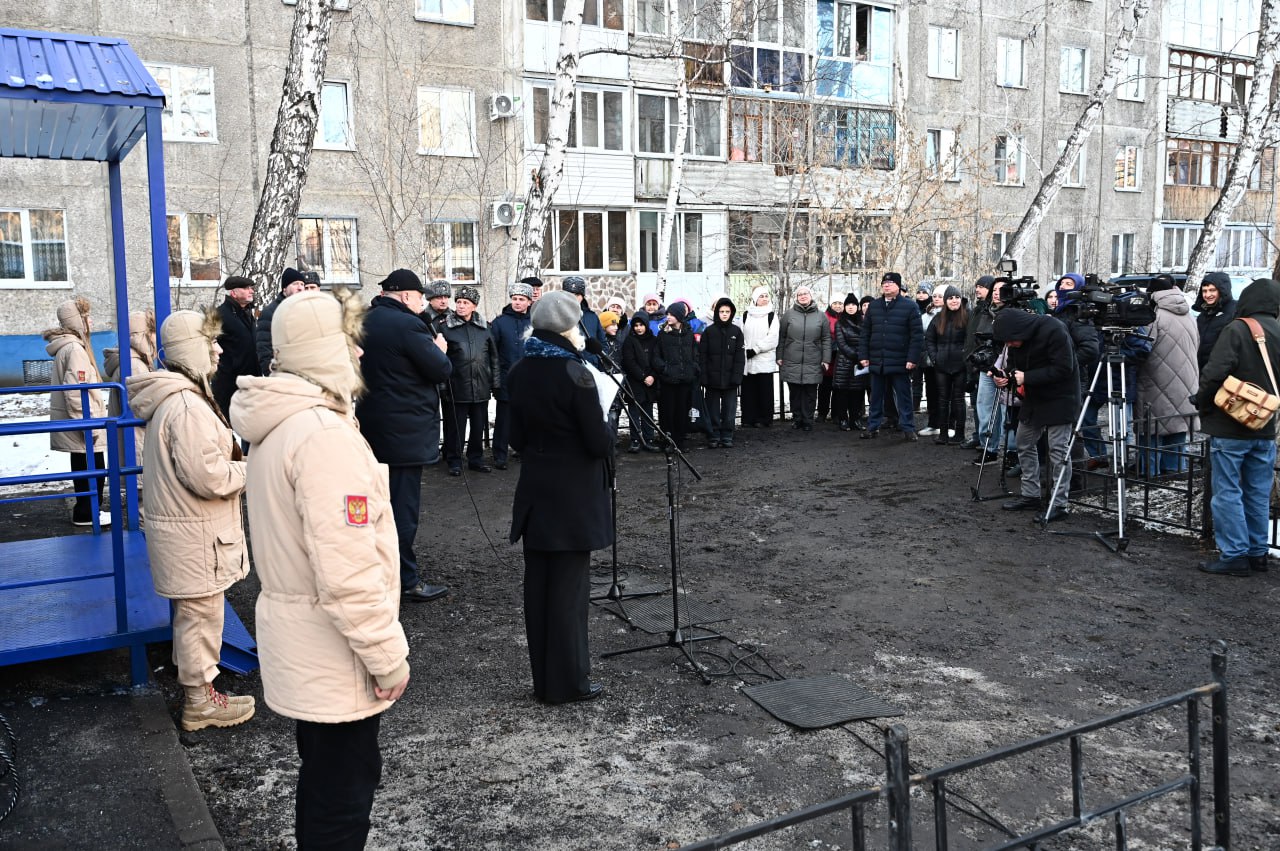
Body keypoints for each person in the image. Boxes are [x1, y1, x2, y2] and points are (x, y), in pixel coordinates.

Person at [231, 289, 410, 848]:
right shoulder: (322, 437)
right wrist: (387, 658)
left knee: (326, 780)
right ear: (323, 350)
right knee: (343, 793)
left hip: (304, 637)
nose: (359, 355)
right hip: (334, 649)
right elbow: (347, 569)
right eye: (349, 342)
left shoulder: (285, 425)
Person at [127, 309, 254, 731]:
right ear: (191, 350)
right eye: (211, 343)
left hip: (190, 533)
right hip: (196, 537)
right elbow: (208, 477)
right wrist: (252, 470)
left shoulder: (181, 397)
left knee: (196, 616)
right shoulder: (186, 405)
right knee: (200, 619)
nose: (219, 350)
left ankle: (203, 693)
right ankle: (200, 703)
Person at [506, 290, 613, 703]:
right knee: (569, 596)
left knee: (540, 593)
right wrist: (604, 420)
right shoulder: (576, 373)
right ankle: (569, 683)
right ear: (570, 327)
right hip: (573, 500)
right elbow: (597, 442)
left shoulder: (519, 370)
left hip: (536, 495)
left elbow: (515, 436)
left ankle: (545, 682)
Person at [356, 269, 453, 602]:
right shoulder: (409, 325)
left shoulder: (364, 320)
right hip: (405, 432)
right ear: (408, 296)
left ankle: (377, 573)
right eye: (421, 297)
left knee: (374, 506)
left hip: (371, 428)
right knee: (402, 510)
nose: (424, 303)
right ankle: (404, 580)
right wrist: (439, 347)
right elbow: (440, 370)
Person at [1195, 278, 1280, 575]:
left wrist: (1201, 402)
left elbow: (1214, 373)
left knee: (1227, 491)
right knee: (1257, 492)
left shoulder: (1238, 328)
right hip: (1265, 426)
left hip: (1230, 426)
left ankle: (1234, 555)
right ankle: (1258, 553)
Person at [991, 309, 1080, 521]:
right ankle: (1030, 494)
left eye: (1011, 340)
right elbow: (1014, 364)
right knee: (1023, 442)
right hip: (1034, 397)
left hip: (1061, 397)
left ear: (1020, 331)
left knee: (1058, 450)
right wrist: (1007, 377)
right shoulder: (1017, 339)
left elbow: (1064, 368)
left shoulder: (1054, 329)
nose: (1010, 345)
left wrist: (1026, 377)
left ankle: (1059, 504)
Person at [44, 297, 111, 527]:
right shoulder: (75, 349)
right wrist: (89, 425)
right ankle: (87, 513)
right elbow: (77, 392)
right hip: (85, 424)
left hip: (82, 423)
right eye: (86, 317)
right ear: (77, 321)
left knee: (85, 466)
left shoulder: (71, 346)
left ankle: (86, 510)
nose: (91, 320)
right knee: (93, 468)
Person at [1136, 276, 1200, 475]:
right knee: (1178, 425)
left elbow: (1141, 348)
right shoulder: (1188, 315)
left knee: (1152, 428)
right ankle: (1175, 471)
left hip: (1155, 380)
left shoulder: (1153, 316)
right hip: (1187, 382)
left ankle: (1149, 473)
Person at [441, 285, 499, 476]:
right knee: (456, 428)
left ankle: (476, 459)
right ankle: (454, 460)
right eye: (458, 302)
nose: (461, 306)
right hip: (457, 386)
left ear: (474, 306)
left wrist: (495, 383)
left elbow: (494, 358)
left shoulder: (485, 328)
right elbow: (440, 360)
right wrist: (443, 385)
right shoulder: (446, 328)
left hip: (481, 385)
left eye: (466, 303)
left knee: (478, 426)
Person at [859, 272, 923, 441]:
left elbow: (916, 336)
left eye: (890, 283)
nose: (886, 285)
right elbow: (865, 333)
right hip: (878, 360)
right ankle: (873, 427)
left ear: (898, 286)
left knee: (904, 397)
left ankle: (908, 428)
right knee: (876, 397)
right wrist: (864, 355)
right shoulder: (874, 306)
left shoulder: (910, 306)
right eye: (884, 283)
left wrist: (912, 359)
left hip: (900, 361)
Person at [490, 280, 534, 470]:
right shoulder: (500, 323)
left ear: (529, 302)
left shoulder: (535, 322)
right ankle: (500, 455)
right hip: (506, 377)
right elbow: (493, 352)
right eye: (514, 299)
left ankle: (525, 451)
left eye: (521, 299)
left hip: (529, 380)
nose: (517, 302)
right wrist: (496, 379)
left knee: (527, 419)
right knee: (503, 420)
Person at [104, 308, 157, 464]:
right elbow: (142, 410)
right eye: (153, 331)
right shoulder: (134, 366)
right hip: (138, 446)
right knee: (140, 487)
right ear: (142, 336)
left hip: (136, 442)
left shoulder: (133, 362)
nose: (156, 338)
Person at [778, 285, 831, 431]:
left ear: (810, 296)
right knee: (795, 392)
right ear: (796, 297)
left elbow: (826, 339)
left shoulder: (821, 316)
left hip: (813, 359)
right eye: (800, 294)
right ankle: (797, 419)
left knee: (810, 393)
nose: (803, 296)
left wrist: (826, 359)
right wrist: (779, 356)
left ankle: (808, 420)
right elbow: (782, 337)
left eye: (805, 293)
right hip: (791, 359)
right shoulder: (789, 315)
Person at [211, 275, 260, 421]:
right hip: (228, 384)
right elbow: (208, 344)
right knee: (227, 428)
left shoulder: (248, 313)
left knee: (252, 427)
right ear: (234, 293)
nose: (251, 291)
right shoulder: (218, 315)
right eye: (246, 288)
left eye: (252, 288)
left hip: (251, 382)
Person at [699, 297, 746, 448]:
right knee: (712, 409)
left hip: (731, 379)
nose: (724, 314)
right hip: (712, 379)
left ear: (732, 313)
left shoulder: (736, 332)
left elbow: (740, 358)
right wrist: (704, 376)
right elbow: (703, 356)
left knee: (729, 409)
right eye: (721, 311)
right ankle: (713, 435)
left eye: (727, 311)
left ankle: (727, 435)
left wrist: (737, 377)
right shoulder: (709, 331)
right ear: (716, 312)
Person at [653, 301, 700, 450]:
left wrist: (693, 369)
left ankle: (680, 441)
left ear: (679, 316)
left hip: (685, 380)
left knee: (682, 411)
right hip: (668, 380)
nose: (668, 317)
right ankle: (668, 441)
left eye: (672, 314)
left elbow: (695, 355)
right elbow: (656, 356)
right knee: (668, 412)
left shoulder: (688, 334)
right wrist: (665, 369)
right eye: (668, 314)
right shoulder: (663, 334)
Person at [925, 287, 969, 444]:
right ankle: (943, 433)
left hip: (960, 366)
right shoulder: (938, 318)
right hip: (942, 365)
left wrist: (966, 358)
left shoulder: (967, 317)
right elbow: (929, 339)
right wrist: (935, 357)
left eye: (957, 297)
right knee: (942, 400)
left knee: (958, 400)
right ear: (946, 301)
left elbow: (971, 340)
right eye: (951, 298)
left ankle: (959, 434)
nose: (954, 300)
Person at [963, 275, 999, 453]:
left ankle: (991, 444)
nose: (978, 289)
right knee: (978, 403)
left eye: (983, 287)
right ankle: (979, 436)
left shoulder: (991, 311)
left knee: (988, 406)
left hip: (987, 364)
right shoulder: (977, 310)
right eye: (977, 286)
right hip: (974, 361)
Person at [740, 286, 780, 428]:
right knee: (748, 391)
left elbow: (773, 338)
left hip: (764, 359)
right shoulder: (746, 315)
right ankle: (748, 418)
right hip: (748, 359)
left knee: (764, 391)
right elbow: (741, 334)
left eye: (766, 296)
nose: (764, 299)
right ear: (755, 299)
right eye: (761, 296)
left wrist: (756, 349)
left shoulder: (771, 316)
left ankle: (764, 418)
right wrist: (746, 350)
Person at [255, 268, 308, 375]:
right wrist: (271, 373)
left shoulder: (305, 310)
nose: (300, 288)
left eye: (302, 284)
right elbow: (264, 346)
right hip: (282, 373)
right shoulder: (271, 312)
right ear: (284, 289)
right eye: (295, 284)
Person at [620, 312, 659, 452]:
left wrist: (652, 376)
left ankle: (649, 439)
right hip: (635, 382)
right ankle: (635, 440)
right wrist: (643, 376)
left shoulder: (654, 340)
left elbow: (657, 359)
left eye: (641, 325)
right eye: (636, 325)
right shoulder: (629, 341)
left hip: (650, 381)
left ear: (646, 325)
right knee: (634, 412)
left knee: (648, 413)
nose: (638, 328)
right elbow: (629, 362)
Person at [831, 293, 866, 431]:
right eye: (848, 305)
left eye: (853, 305)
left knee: (857, 393)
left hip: (860, 362)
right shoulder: (840, 323)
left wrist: (862, 356)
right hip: (844, 363)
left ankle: (855, 419)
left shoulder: (863, 322)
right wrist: (857, 355)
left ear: (857, 307)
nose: (850, 307)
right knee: (842, 392)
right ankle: (843, 420)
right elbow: (841, 343)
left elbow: (866, 340)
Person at [562, 275, 607, 368]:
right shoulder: (557, 315)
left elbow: (602, 343)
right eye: (570, 294)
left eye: (577, 295)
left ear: (582, 296)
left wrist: (597, 360)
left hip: (591, 367)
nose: (573, 298)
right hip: (566, 367)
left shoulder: (592, 316)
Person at [1194, 271, 1236, 369]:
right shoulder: (1203, 315)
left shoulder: (1234, 312)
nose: (1208, 295)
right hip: (1203, 371)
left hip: (1223, 373)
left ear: (1222, 290)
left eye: (1212, 290)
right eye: (1204, 291)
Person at [817, 296, 843, 422]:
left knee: (838, 387)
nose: (837, 306)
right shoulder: (824, 316)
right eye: (835, 303)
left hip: (841, 356)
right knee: (824, 387)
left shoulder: (845, 317)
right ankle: (822, 413)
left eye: (840, 303)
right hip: (827, 356)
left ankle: (836, 414)